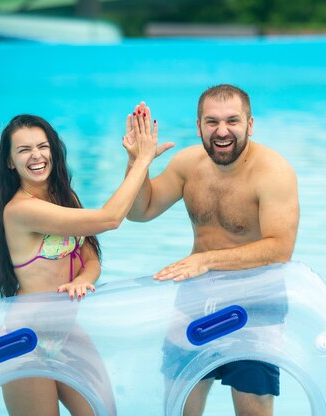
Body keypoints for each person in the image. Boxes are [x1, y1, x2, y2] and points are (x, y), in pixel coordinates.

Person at [124, 85, 299, 416]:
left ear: (250, 124)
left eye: (232, 120)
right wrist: (138, 163)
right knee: (178, 406)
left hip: (255, 303)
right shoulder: (187, 164)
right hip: (195, 299)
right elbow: (140, 210)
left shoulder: (273, 172)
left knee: (253, 409)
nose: (222, 131)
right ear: (198, 125)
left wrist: (205, 260)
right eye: (211, 121)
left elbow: (280, 249)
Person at [0, 113, 172, 415]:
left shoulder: (63, 196)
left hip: (67, 331)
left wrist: (83, 279)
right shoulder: (20, 211)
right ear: (10, 162)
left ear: (53, 150)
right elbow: (109, 219)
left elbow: (90, 256)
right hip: (24, 339)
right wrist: (142, 161)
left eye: (42, 146)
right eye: (23, 150)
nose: (36, 156)